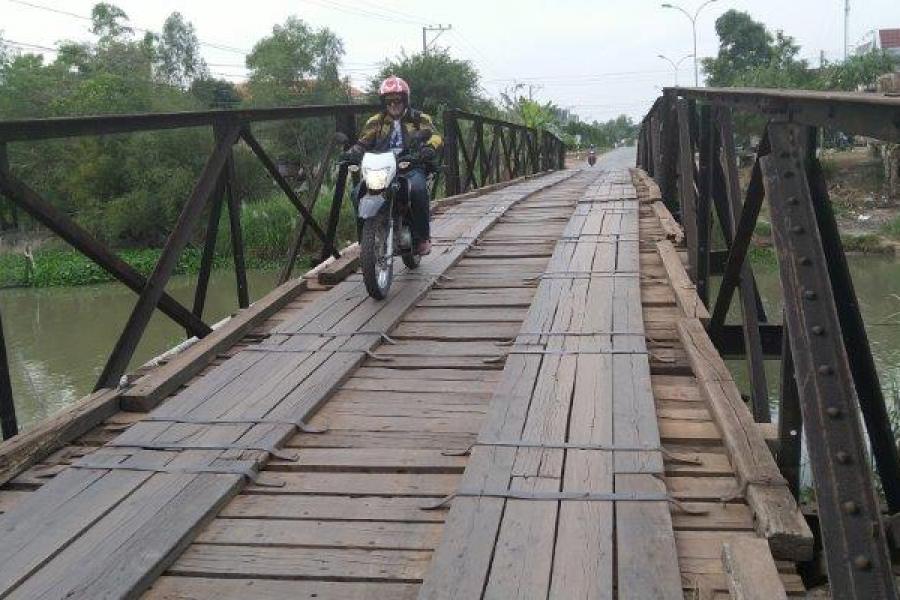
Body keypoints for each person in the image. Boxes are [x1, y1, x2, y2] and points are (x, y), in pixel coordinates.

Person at [346, 75, 442, 255]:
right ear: (384, 102)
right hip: (381, 166)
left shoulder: (419, 118)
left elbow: (436, 135)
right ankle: (365, 239)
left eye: (397, 100)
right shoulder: (376, 120)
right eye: (389, 101)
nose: (393, 105)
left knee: (418, 190)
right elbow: (363, 142)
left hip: (411, 164)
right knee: (356, 192)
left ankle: (422, 237)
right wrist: (352, 152)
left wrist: (429, 147)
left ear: (405, 100)